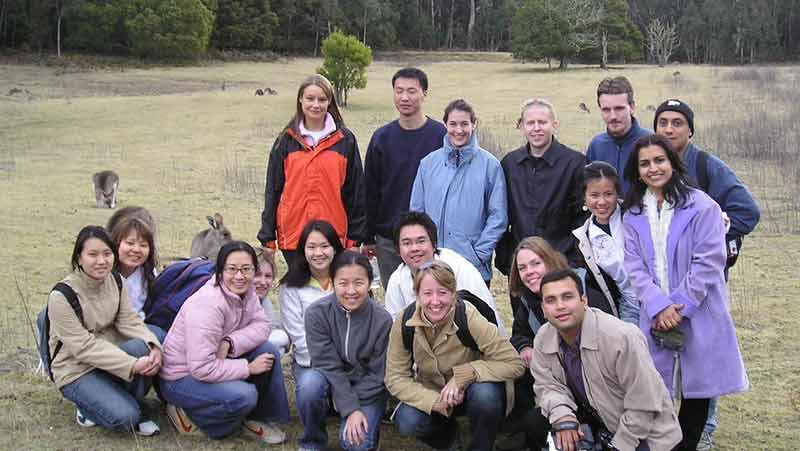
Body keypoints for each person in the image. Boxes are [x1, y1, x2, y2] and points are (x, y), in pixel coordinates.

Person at [622, 135, 749, 451]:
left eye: (659, 160)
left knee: (698, 391)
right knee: (656, 388)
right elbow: (634, 267)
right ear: (637, 172)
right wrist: (657, 306)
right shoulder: (632, 215)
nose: (654, 168)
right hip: (655, 316)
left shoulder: (703, 206)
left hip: (699, 310)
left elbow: (709, 261)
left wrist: (679, 306)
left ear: (673, 163)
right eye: (645, 163)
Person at [653, 98, 760, 450]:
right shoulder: (653, 168)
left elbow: (747, 211)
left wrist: (720, 232)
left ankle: (705, 430)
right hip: (663, 287)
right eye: (663, 123)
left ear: (691, 130)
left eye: (677, 123)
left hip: (702, 286)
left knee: (703, 356)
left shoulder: (707, 165)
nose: (669, 129)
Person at [531, 269, 682, 451]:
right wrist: (563, 417)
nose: (560, 306)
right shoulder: (543, 337)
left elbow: (645, 403)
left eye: (567, 297)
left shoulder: (621, 337)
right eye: (551, 300)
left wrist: (619, 446)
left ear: (583, 301)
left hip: (646, 436)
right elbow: (547, 386)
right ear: (543, 309)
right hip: (600, 426)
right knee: (534, 423)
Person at [159, 241, 290, 443]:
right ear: (220, 272)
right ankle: (188, 414)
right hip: (180, 377)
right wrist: (247, 367)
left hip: (214, 360)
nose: (239, 276)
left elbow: (263, 325)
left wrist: (230, 341)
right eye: (232, 269)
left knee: (267, 350)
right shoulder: (208, 305)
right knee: (244, 396)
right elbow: (201, 368)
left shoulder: (247, 293)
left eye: (247, 269)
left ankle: (258, 418)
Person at [385, 261, 525, 451]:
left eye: (442, 292)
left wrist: (465, 374)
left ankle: (481, 445)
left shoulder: (468, 316)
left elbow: (514, 363)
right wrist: (434, 402)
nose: (435, 301)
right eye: (427, 293)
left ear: (453, 294)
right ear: (417, 295)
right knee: (407, 419)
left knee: (486, 397)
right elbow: (395, 377)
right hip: (434, 391)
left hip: (474, 388)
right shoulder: (404, 321)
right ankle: (450, 441)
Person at [48, 225, 162, 435]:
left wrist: (153, 344)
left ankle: (118, 399)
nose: (101, 261)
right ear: (79, 258)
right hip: (76, 369)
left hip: (109, 357)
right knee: (125, 418)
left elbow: (129, 320)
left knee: (144, 345)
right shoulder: (62, 295)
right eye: (92, 254)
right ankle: (90, 407)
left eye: (107, 254)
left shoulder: (116, 280)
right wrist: (132, 365)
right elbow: (84, 348)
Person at [504, 237, 614, 450]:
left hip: (602, 388)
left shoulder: (584, 287)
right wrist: (525, 347)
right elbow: (519, 333)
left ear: (550, 260)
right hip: (563, 386)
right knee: (533, 417)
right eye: (522, 267)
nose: (529, 272)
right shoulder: (529, 300)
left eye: (536, 263)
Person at [258, 74, 366, 267]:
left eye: (322, 99)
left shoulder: (345, 140)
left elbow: (355, 193)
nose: (316, 105)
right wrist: (267, 238)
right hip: (293, 235)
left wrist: (355, 240)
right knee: (300, 290)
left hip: (333, 238)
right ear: (300, 100)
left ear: (330, 101)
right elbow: (273, 190)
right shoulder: (286, 140)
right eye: (310, 98)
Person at [299, 251, 393, 451]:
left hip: (368, 391)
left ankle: (370, 430)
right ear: (332, 282)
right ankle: (313, 442)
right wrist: (349, 407)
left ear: (369, 283)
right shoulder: (317, 313)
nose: (351, 291)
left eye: (358, 282)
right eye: (343, 283)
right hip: (331, 382)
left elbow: (378, 374)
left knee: (355, 444)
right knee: (309, 384)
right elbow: (326, 365)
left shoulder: (382, 320)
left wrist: (353, 406)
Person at [363, 67, 447, 288]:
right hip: (388, 239)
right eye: (399, 91)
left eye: (411, 91)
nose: (404, 97)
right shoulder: (382, 138)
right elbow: (370, 190)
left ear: (424, 94)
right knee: (395, 298)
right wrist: (369, 236)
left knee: (432, 297)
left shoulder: (441, 136)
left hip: (430, 238)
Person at [410, 98, 507, 284]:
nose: (459, 130)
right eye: (453, 124)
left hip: (472, 266)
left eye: (464, 124)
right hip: (433, 265)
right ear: (445, 124)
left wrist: (478, 254)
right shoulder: (428, 164)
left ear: (474, 124)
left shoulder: (490, 166)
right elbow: (417, 214)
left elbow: (498, 216)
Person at [498, 98, 587, 274]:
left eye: (542, 122)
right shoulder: (510, 164)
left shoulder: (575, 163)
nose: (536, 128)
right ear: (522, 126)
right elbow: (501, 214)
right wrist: (507, 260)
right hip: (522, 267)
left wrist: (572, 260)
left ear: (554, 124)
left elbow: (582, 218)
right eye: (530, 123)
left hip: (562, 264)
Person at [384, 211, 505, 335]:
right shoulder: (396, 280)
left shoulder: (459, 268)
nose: (415, 248)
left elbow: (487, 314)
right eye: (407, 243)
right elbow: (396, 330)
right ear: (398, 249)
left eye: (421, 241)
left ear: (434, 244)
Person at [279, 220, 344, 395]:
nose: (318, 253)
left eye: (324, 246)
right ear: (303, 250)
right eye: (311, 247)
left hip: (350, 358)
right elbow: (298, 335)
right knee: (310, 388)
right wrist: (331, 361)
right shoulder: (291, 286)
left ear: (335, 248)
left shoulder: (348, 280)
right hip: (311, 361)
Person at [572, 162, 640, 324]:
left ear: (617, 193)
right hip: (628, 307)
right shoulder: (584, 238)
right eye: (594, 195)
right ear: (584, 197)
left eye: (608, 194)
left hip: (659, 297)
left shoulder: (635, 216)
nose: (602, 202)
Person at [106, 207, 167, 342]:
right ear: (116, 243)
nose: (136, 250)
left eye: (143, 245)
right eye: (130, 243)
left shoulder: (148, 274)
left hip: (137, 329)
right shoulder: (104, 273)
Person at [586, 76, 651, 195]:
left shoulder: (651, 143)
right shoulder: (596, 145)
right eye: (606, 110)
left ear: (632, 107)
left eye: (619, 108)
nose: (613, 116)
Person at [253, 251, 290, 355]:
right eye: (257, 275)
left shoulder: (263, 300)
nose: (263, 282)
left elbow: (274, 327)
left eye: (268, 276)